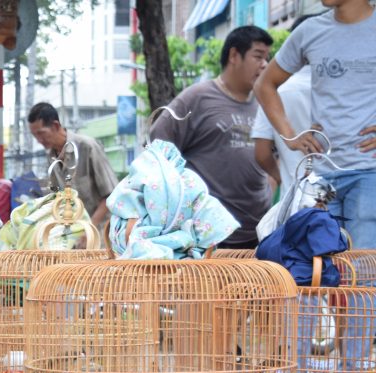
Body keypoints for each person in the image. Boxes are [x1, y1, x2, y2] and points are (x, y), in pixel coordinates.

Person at [255, 0, 376, 248]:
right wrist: (289, 136)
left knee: (363, 275)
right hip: (321, 177)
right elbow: (265, 85)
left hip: (369, 173)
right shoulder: (310, 31)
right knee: (322, 274)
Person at [150, 26, 274, 248]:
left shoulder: (266, 104)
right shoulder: (197, 98)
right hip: (208, 236)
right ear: (234, 55)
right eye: (258, 56)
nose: (265, 64)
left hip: (258, 234)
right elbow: (159, 145)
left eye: (267, 58)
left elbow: (275, 159)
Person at [252, 15, 317, 193]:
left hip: (296, 199)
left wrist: (283, 178)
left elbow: (262, 152)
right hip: (350, 200)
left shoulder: (273, 90)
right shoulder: (353, 88)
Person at [27, 102, 118, 229]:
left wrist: (89, 228)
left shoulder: (88, 146)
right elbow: (57, 198)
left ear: (55, 125)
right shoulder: (51, 156)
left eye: (41, 133)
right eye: (35, 135)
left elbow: (111, 195)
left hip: (100, 231)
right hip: (72, 232)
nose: (39, 140)